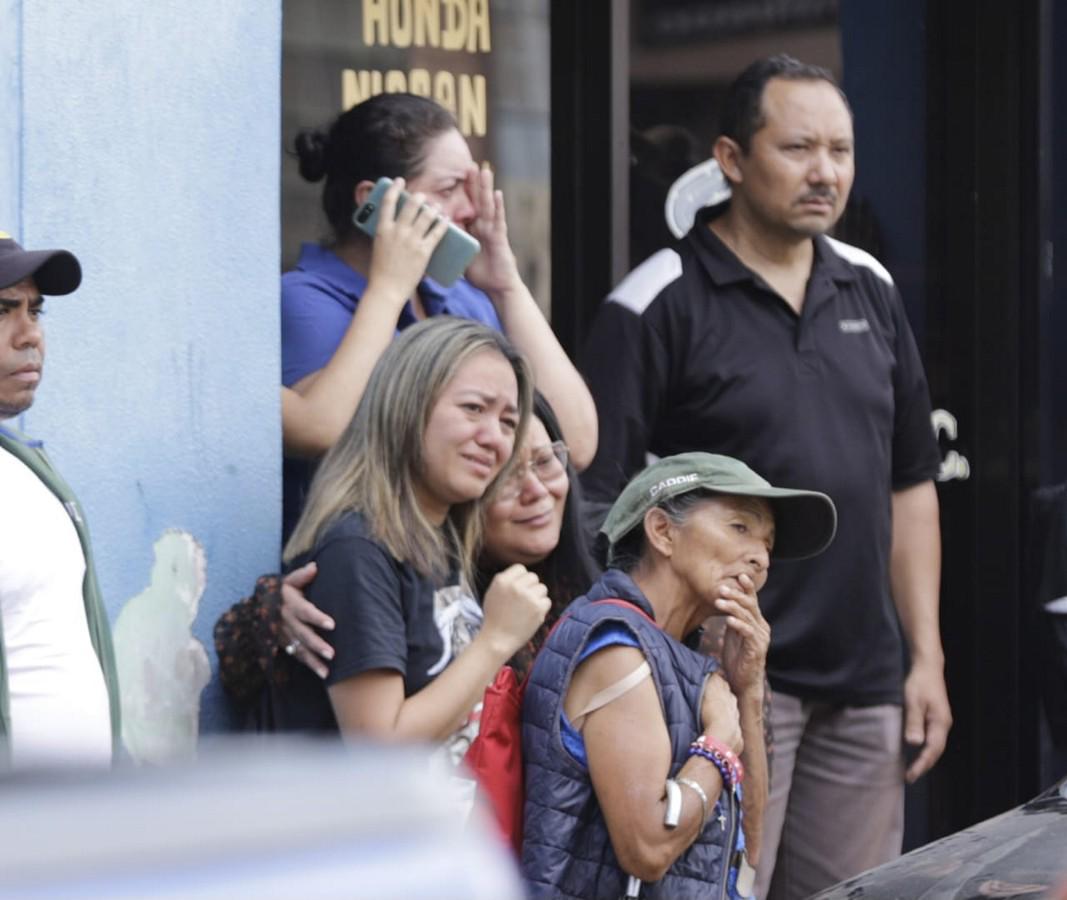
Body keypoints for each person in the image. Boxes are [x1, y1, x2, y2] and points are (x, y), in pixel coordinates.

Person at [579, 55, 952, 898]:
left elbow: (909, 483)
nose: (825, 172)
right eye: (796, 148)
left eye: (840, 151)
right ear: (730, 159)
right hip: (720, 677)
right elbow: (600, 505)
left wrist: (923, 656)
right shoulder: (657, 299)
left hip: (861, 681)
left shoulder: (870, 286)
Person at [521, 452, 836, 899]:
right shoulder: (616, 646)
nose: (760, 559)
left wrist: (747, 690)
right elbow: (648, 849)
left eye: (767, 545)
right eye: (740, 527)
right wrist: (720, 740)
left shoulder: (680, 658)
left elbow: (749, 849)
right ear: (663, 532)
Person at [282, 92, 597, 536]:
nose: (469, 210)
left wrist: (506, 286)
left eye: (470, 189)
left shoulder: (460, 299)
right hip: (355, 558)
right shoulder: (304, 298)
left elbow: (575, 443)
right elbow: (322, 430)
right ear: (375, 201)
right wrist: (388, 289)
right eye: (448, 191)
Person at [272, 317, 550, 766]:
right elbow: (380, 746)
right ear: (407, 404)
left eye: (507, 422)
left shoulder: (442, 538)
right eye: (473, 408)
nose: (494, 439)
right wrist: (495, 640)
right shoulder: (358, 550)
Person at [215, 391, 598, 700]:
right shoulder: (398, 583)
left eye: (545, 461)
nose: (536, 491)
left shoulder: (605, 561)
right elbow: (381, 739)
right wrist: (269, 615)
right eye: (505, 478)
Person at [0, 231, 121, 768]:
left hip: (76, 810)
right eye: (3, 310)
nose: (30, 335)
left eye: (36, 311)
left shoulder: (27, 467)